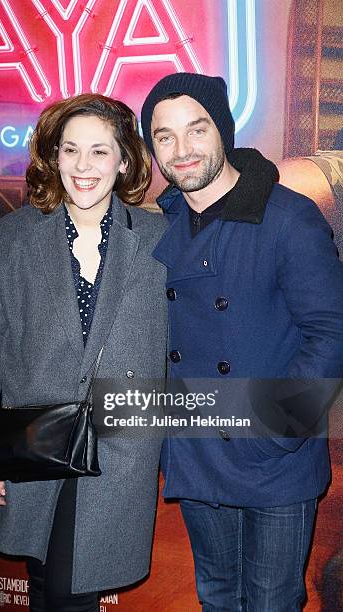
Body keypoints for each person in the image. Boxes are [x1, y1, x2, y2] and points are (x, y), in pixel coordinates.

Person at [140, 73, 343, 611]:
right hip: (198, 449)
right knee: (217, 597)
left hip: (274, 459)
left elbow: (331, 332)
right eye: (164, 137)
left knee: (272, 602)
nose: (181, 150)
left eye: (196, 129)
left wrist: (275, 430)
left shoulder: (288, 217)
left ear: (222, 131)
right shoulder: (163, 223)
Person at [0, 93, 167, 612]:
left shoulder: (160, 239)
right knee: (46, 581)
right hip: (34, 436)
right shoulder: (13, 238)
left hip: (120, 443)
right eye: (71, 149)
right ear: (53, 156)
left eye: (100, 152)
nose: (83, 165)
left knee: (71, 588)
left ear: (124, 161)